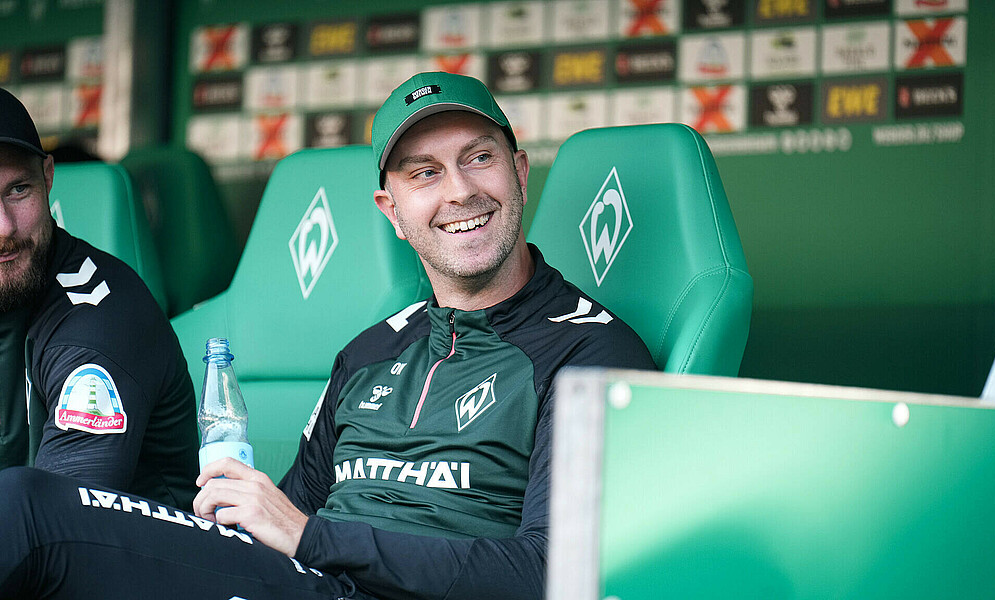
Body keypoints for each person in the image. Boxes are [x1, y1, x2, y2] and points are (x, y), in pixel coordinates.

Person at [0, 73, 655, 599]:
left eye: (478, 158)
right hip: (300, 581)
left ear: (519, 171)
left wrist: (314, 539)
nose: (460, 191)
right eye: (424, 172)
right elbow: (276, 525)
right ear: (391, 211)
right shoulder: (371, 352)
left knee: (27, 508)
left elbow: (550, 574)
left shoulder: (593, 353)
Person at [0, 87, 199, 510]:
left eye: (17, 191)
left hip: (143, 569)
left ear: (48, 177)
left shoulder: (97, 323)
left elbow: (52, 533)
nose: (3, 227)